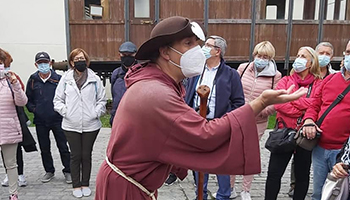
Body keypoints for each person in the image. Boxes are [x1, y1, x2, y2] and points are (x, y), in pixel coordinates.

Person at [94, 16, 307, 200]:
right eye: (188, 43)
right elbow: (205, 134)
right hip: (125, 189)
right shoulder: (156, 93)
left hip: (134, 184)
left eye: (198, 43)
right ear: (165, 53)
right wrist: (260, 103)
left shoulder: (160, 84)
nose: (198, 51)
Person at [184, 35, 245, 200]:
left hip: (219, 125)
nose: (204, 48)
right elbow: (187, 97)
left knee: (221, 163)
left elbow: (239, 102)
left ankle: (223, 196)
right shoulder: (196, 71)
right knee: (198, 164)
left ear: (217, 51)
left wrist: (226, 120)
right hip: (197, 124)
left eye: (208, 45)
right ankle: (200, 194)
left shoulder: (230, 75)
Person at [265, 46, 322, 200]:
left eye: (303, 56)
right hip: (284, 133)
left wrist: (293, 99)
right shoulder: (286, 80)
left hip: (305, 136)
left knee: (302, 176)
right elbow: (279, 104)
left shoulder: (318, 84)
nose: (298, 59)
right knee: (274, 175)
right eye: (298, 55)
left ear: (311, 63)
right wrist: (303, 106)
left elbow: (316, 105)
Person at [53, 48, 106, 198]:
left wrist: (96, 113)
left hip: (91, 125)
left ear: (87, 60)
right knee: (75, 155)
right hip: (71, 124)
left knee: (86, 155)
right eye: (76, 59)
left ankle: (85, 183)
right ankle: (76, 185)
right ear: (71, 62)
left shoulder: (94, 79)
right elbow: (57, 100)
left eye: (82, 58)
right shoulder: (66, 80)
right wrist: (66, 112)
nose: (80, 61)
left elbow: (101, 100)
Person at [232, 41, 281, 200]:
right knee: (233, 151)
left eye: (265, 57)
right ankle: (230, 187)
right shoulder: (243, 68)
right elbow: (234, 90)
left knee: (250, 154)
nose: (261, 59)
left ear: (270, 58)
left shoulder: (276, 76)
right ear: (254, 55)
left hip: (257, 121)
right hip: (238, 117)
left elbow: (275, 101)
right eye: (259, 55)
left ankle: (246, 189)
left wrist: (261, 111)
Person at [302, 40, 350, 200]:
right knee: (318, 194)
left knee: (341, 195)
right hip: (320, 148)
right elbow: (314, 105)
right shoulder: (330, 79)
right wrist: (309, 121)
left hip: (344, 153)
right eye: (348, 52)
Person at [25, 52, 71, 184]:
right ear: (36, 65)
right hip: (40, 121)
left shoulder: (59, 79)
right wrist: (34, 110)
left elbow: (66, 97)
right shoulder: (33, 79)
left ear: (50, 63)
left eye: (45, 62)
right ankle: (49, 171)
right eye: (40, 63)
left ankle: (68, 171)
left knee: (63, 146)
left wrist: (62, 111)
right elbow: (28, 99)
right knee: (44, 148)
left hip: (57, 119)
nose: (43, 65)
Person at [0, 48, 28, 200]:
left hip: (8, 128)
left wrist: (15, 84)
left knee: (11, 164)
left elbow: (22, 102)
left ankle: (13, 194)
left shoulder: (11, 81)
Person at [110, 41, 137, 125]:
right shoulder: (116, 74)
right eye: (124, 55)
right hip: (117, 117)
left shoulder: (142, 72)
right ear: (119, 55)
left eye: (130, 55)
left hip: (135, 118)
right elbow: (113, 95)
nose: (127, 58)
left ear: (135, 55)